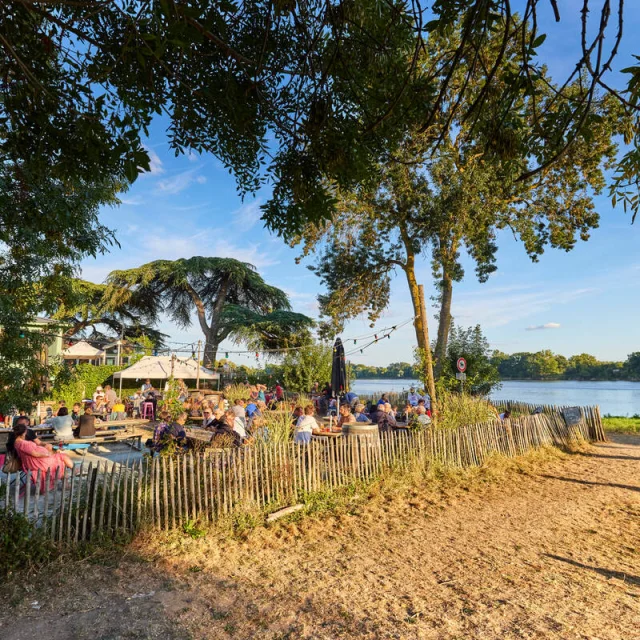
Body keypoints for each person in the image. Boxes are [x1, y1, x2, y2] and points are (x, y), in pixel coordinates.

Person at [8, 420, 74, 483]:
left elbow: (37, 448)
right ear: (23, 433)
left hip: (33, 461)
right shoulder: (24, 443)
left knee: (60, 457)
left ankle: (70, 473)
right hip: (36, 462)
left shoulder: (17, 442)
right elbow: (35, 454)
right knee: (62, 457)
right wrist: (48, 454)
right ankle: (73, 471)